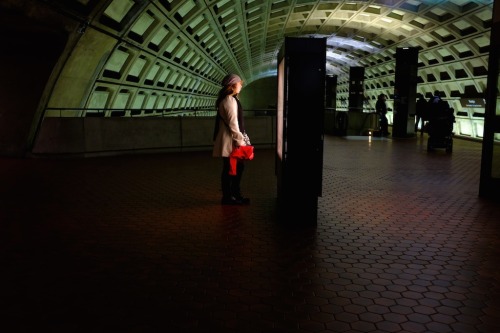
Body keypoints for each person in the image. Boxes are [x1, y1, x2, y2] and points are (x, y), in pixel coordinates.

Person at [212, 73, 250, 205]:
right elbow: (233, 123)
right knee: (232, 169)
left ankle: (233, 195)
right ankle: (230, 196)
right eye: (239, 83)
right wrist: (241, 142)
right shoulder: (229, 100)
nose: (240, 85)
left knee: (233, 168)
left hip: (231, 141)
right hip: (231, 142)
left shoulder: (229, 99)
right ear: (233, 85)